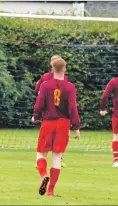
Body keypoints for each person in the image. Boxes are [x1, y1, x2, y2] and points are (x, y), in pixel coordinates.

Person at [32, 58, 81, 196]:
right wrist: (76, 127)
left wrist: (35, 116)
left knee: (41, 153)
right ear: (65, 69)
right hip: (63, 124)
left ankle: (43, 176)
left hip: (48, 122)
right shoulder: (70, 87)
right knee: (57, 156)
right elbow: (72, 109)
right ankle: (51, 191)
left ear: (52, 69)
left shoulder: (45, 85)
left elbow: (39, 104)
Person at [34, 55, 68, 168]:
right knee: (57, 136)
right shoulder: (63, 78)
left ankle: (42, 160)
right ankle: (56, 159)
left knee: (46, 137)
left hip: (47, 113)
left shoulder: (45, 77)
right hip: (59, 114)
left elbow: (36, 89)